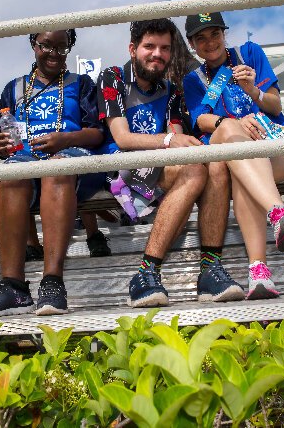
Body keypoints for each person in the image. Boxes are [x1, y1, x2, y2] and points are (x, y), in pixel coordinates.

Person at [98, 19, 244, 308]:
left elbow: (178, 140)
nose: (157, 54)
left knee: (213, 163)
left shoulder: (172, 91)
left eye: (165, 48)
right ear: (132, 49)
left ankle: (210, 270)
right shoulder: (112, 77)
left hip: (160, 167)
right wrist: (167, 141)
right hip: (120, 167)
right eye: (149, 46)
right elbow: (123, 138)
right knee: (193, 168)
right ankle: (146, 272)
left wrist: (179, 143)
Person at [0, 28, 104, 317]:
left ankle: (52, 282)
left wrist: (64, 139)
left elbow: (97, 134)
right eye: (46, 46)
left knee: (56, 167)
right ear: (33, 44)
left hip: (71, 163)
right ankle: (13, 287)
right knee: (9, 174)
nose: (54, 53)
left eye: (61, 47)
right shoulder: (13, 88)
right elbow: (3, 135)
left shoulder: (82, 85)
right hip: (27, 162)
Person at [183, 12, 284, 300]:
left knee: (246, 176)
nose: (210, 43)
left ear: (224, 34)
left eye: (215, 34)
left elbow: (275, 105)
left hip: (272, 143)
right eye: (201, 38)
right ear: (192, 44)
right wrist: (231, 123)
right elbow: (201, 120)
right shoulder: (194, 79)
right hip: (231, 146)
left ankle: (259, 273)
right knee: (232, 134)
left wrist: (252, 90)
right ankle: (278, 213)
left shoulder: (248, 54)